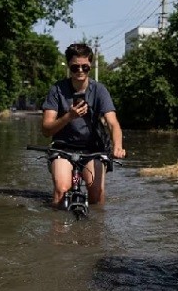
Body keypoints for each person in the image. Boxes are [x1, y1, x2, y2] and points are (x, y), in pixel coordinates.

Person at [41, 43, 126, 207]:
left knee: (96, 193)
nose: (80, 71)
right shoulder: (56, 90)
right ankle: (57, 228)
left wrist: (118, 146)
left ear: (90, 66)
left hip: (94, 149)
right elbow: (46, 129)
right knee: (61, 189)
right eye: (75, 67)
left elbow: (113, 123)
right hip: (63, 148)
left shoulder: (100, 90)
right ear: (68, 67)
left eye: (85, 67)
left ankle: (97, 230)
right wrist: (69, 116)